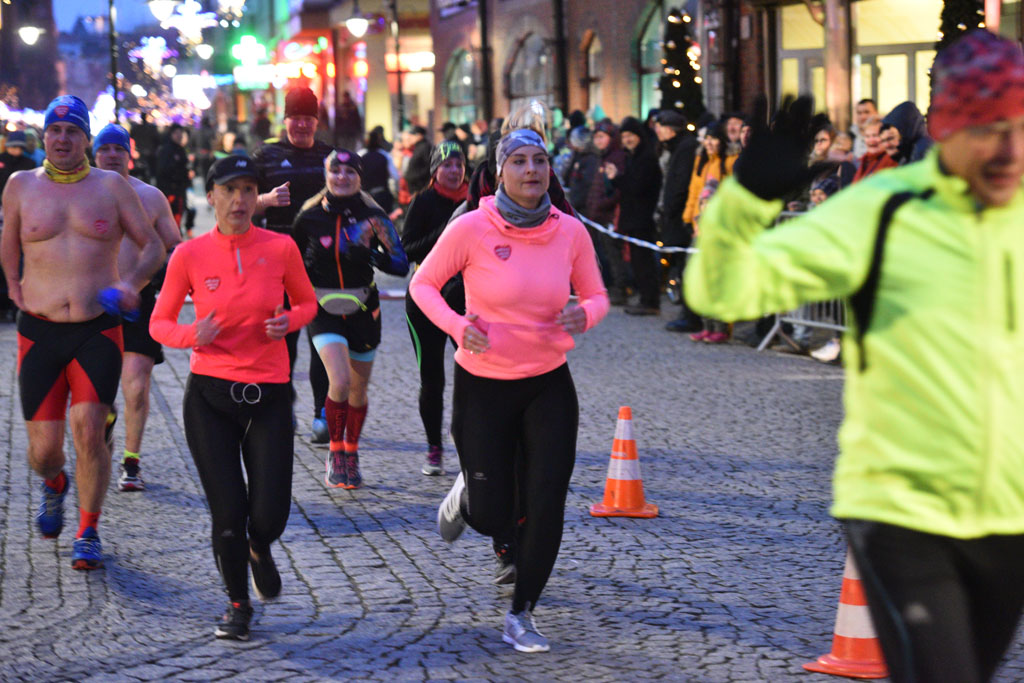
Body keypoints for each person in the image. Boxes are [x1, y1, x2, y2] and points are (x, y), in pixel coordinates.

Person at [685, 30, 1024, 683]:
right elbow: (719, 290)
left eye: (1018, 124)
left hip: (1010, 516)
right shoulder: (882, 212)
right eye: (985, 127)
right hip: (900, 508)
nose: (1007, 148)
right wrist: (747, 200)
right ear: (945, 126)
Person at [409, 128, 609, 653]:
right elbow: (421, 285)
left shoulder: (570, 232)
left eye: (539, 160)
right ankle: (469, 497)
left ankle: (521, 613)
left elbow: (596, 296)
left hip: (548, 384)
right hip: (483, 384)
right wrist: (457, 326)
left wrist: (581, 313)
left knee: (546, 501)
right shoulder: (472, 226)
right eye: (518, 161)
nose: (530, 170)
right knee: (494, 511)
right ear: (500, 172)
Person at [150, 155, 317, 640]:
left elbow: (307, 303)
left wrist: (291, 321)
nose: (240, 199)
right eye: (231, 190)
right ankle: (238, 604)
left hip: (267, 394)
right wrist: (192, 334)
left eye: (249, 189)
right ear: (212, 197)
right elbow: (158, 323)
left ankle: (260, 546)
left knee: (270, 515)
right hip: (210, 396)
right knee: (228, 513)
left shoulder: (281, 248)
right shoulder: (188, 255)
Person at [0, 95, 162, 569]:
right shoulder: (19, 186)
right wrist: (13, 286)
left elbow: (151, 245)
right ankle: (54, 485)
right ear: (44, 136)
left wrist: (132, 284)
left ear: (86, 138)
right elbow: (8, 242)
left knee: (90, 430)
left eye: (73, 132)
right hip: (40, 332)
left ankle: (88, 529)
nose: (63, 139)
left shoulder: (111, 187)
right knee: (45, 452)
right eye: (56, 131)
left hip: (98, 329)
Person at [292, 149, 409, 489]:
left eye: (349, 171)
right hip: (323, 310)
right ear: (325, 175)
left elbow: (401, 264)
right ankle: (334, 450)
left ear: (360, 177)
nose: (342, 176)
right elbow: (291, 261)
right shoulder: (309, 216)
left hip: (364, 310)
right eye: (335, 170)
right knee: (339, 382)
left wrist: (375, 255)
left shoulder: (374, 217)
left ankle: (351, 451)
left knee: (357, 392)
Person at [92, 124, 181, 491]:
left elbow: (176, 247)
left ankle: (131, 461)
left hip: (138, 304)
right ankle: (105, 421)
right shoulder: (83, 195)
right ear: (94, 154)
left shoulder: (151, 197)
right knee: (98, 394)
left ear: (129, 154)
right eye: (105, 149)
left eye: (118, 149)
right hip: (92, 307)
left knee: (136, 385)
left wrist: (156, 281)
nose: (112, 155)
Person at [252, 87, 335, 442]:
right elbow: (240, 203)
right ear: (284, 120)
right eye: (295, 118)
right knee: (284, 339)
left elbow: (350, 197)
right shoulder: (266, 156)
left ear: (316, 121)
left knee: (323, 339)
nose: (301, 125)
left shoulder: (330, 156)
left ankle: (321, 411)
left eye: (308, 119)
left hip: (322, 263)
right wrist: (267, 200)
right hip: (278, 262)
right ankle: (283, 409)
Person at [401, 141, 468, 477]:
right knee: (433, 379)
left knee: (474, 374)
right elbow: (406, 249)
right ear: (435, 170)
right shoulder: (423, 201)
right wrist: (445, 234)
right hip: (426, 297)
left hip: (466, 298)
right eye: (447, 165)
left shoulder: (476, 202)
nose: (453, 171)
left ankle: (471, 441)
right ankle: (434, 447)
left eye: (458, 164)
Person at [605, 116, 663, 315]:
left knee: (644, 260)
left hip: (642, 217)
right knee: (638, 260)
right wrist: (616, 180)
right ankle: (645, 298)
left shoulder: (646, 158)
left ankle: (650, 300)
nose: (627, 139)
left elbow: (636, 187)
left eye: (630, 135)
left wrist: (617, 178)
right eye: (624, 136)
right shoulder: (632, 156)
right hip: (633, 216)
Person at [656, 110, 701, 332]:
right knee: (680, 266)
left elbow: (681, 183)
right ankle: (686, 311)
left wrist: (672, 209)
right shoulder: (676, 148)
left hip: (681, 218)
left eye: (660, 126)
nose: (657, 131)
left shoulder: (685, 148)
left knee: (685, 266)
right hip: (675, 216)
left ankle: (691, 315)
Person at [155, 123, 192, 233]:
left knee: (178, 214)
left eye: (181, 133)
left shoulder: (180, 149)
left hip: (179, 189)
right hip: (170, 189)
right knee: (171, 215)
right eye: (176, 133)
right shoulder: (167, 150)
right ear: (171, 134)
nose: (179, 136)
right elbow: (162, 170)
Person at [360, 127, 400, 215]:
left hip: (363, 196)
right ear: (379, 141)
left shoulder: (360, 155)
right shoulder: (385, 155)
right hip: (382, 196)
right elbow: (395, 176)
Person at [403, 125, 433, 198]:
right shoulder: (418, 147)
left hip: (420, 188)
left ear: (420, 136)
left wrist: (415, 178)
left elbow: (428, 167)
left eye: (413, 135)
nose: (410, 137)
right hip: (415, 187)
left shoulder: (425, 147)